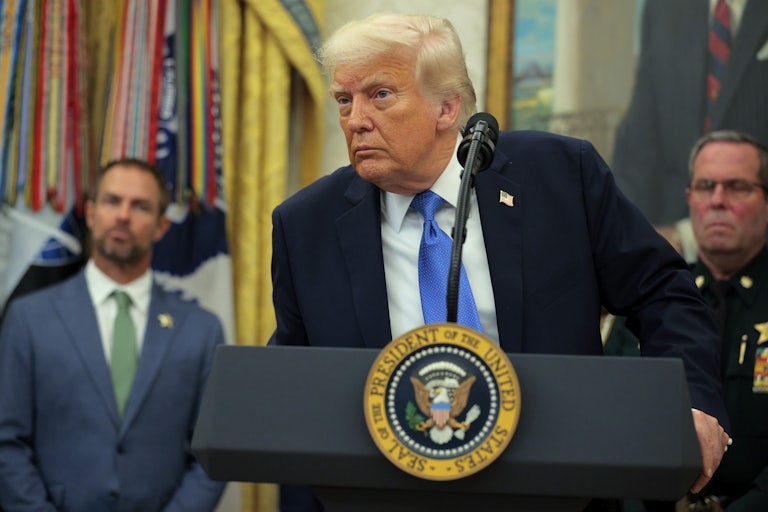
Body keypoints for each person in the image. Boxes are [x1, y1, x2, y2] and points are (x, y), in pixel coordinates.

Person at [269, 13, 731, 512]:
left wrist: (692, 402)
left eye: (380, 95)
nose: (355, 119)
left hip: (559, 489)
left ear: (446, 107)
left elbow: (663, 291)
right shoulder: (305, 226)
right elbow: (296, 376)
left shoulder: (559, 177)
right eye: (344, 99)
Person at [0, 158, 226, 511]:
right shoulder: (29, 319)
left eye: (140, 206)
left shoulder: (202, 330)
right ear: (90, 213)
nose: (123, 215)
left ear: (162, 226)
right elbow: (7, 442)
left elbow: (211, 456)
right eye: (112, 201)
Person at [606, 130, 768, 511]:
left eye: (737, 187)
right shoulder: (649, 304)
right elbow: (609, 422)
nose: (717, 201)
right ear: (689, 199)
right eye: (705, 186)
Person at [612, 0, 768, 260]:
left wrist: (687, 237)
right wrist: (623, 234)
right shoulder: (664, 8)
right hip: (667, 252)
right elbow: (639, 145)